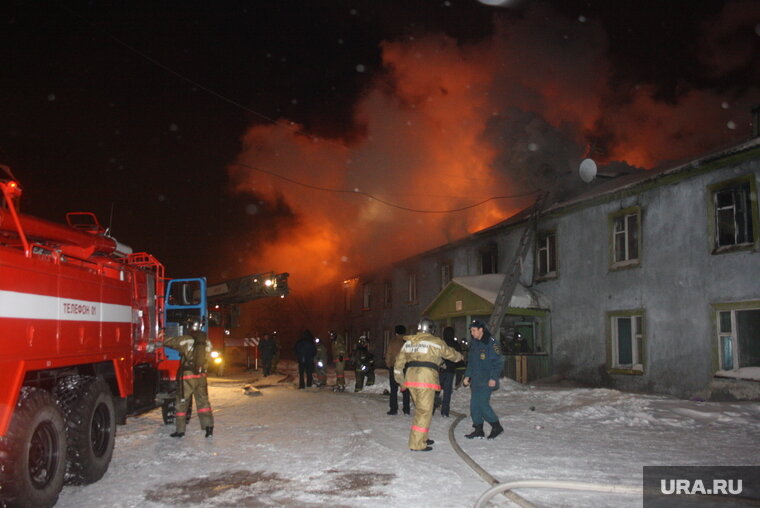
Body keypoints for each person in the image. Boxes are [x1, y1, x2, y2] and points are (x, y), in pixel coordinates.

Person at [394, 317, 463, 452]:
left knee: (421, 409)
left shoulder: (409, 343)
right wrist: (460, 356)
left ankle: (423, 437)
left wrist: (401, 381)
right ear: (431, 329)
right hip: (426, 379)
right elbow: (450, 354)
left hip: (411, 378)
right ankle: (417, 444)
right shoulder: (436, 342)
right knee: (424, 412)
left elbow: (398, 364)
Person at [164, 316, 214, 438]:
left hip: (187, 376)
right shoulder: (206, 341)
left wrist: (161, 337)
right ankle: (208, 428)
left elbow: (169, 342)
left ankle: (180, 431)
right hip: (201, 375)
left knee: (182, 402)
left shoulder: (186, 339)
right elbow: (210, 356)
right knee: (203, 402)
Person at [463, 320, 504, 440]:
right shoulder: (474, 343)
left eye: (474, 330)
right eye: (471, 331)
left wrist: (493, 378)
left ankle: (496, 426)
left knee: (482, 404)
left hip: (487, 380)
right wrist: (467, 375)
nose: (472, 333)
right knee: (474, 406)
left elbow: (498, 362)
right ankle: (478, 429)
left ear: (481, 330)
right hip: (476, 380)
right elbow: (471, 362)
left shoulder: (492, 343)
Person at [384, 325, 411, 415]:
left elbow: (388, 354)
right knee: (405, 389)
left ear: (396, 333)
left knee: (394, 389)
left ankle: (393, 409)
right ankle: (406, 409)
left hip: (394, 367)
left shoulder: (393, 342)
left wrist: (388, 364)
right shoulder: (407, 342)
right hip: (405, 367)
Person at [439, 326, 463, 417]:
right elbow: (459, 357)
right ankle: (445, 411)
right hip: (450, 370)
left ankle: (432, 408)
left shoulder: (441, 343)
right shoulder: (455, 344)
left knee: (436, 389)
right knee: (447, 391)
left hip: (441, 369)